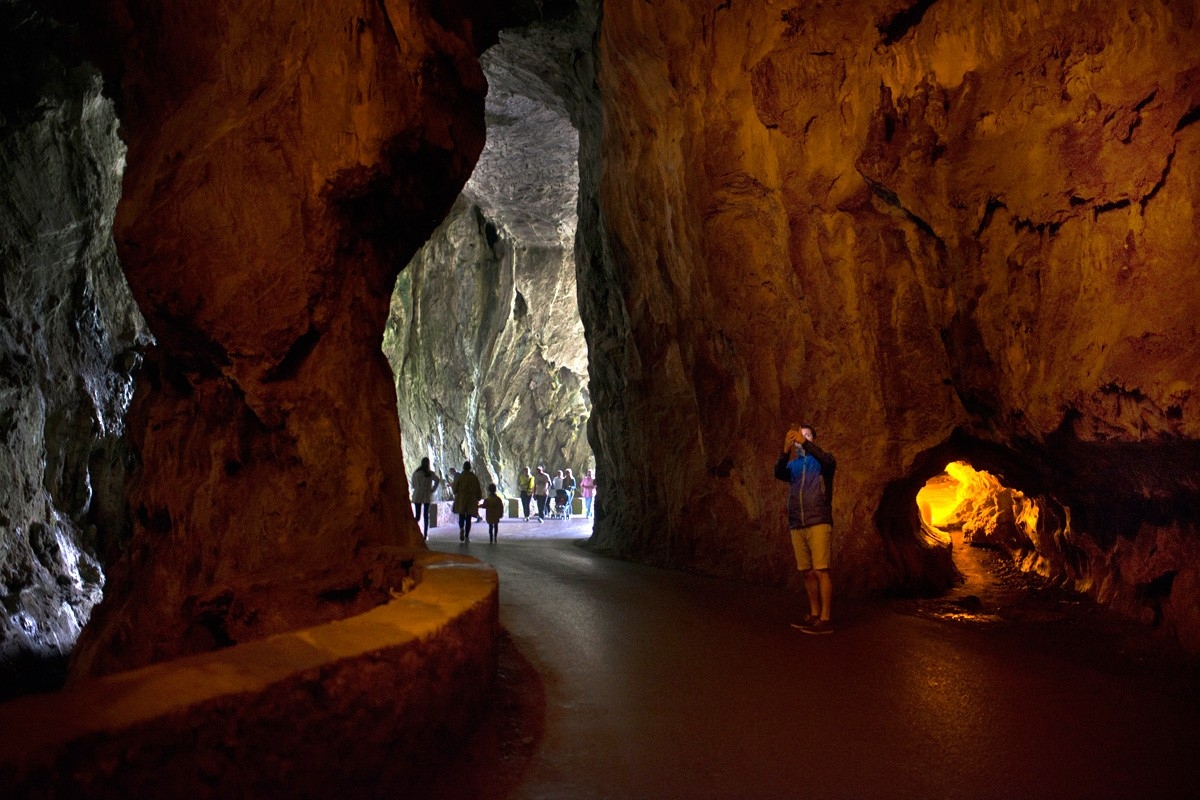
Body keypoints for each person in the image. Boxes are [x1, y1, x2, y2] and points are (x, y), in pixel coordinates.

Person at [774, 423, 837, 635]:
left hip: (818, 520)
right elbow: (778, 472)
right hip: (797, 523)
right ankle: (814, 614)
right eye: (799, 436)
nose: (802, 438)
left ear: (814, 439)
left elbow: (828, 461)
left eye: (807, 435)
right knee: (807, 572)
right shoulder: (792, 466)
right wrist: (785, 450)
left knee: (821, 570)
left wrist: (806, 444)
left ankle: (825, 619)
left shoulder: (822, 461)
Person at [452, 461, 484, 543]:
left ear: (463, 467)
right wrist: (478, 497)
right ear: (470, 468)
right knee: (469, 518)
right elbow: (478, 489)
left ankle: (461, 528)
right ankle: (466, 537)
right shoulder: (474, 477)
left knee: (461, 515)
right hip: (471, 498)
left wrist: (456, 493)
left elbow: (455, 488)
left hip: (461, 497)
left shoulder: (460, 476)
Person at [409, 457, 440, 540]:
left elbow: (413, 485)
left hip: (417, 494)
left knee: (417, 516)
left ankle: (413, 532)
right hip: (426, 494)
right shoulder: (430, 473)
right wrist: (433, 489)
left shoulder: (416, 473)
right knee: (426, 516)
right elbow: (437, 480)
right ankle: (425, 534)